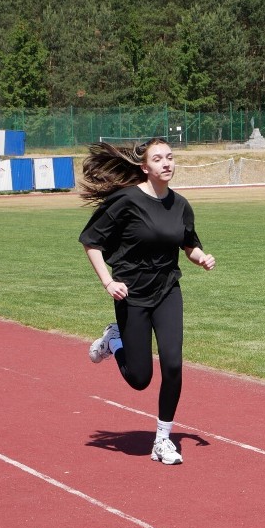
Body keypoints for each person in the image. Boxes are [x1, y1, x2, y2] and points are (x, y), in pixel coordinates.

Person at [78, 139, 216, 465]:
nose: (166, 163)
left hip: (168, 290)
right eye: (158, 159)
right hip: (132, 295)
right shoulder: (125, 200)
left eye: (169, 157)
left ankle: (163, 440)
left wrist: (201, 258)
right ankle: (114, 341)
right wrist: (108, 281)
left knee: (172, 364)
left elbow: (189, 245)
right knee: (140, 379)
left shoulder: (180, 205)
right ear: (145, 167)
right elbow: (91, 242)